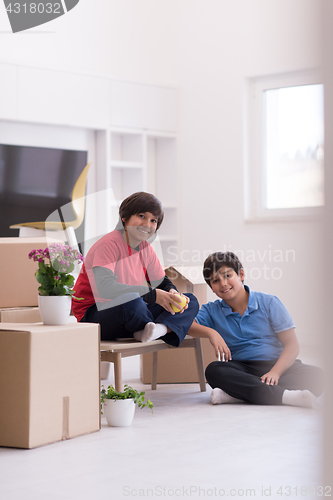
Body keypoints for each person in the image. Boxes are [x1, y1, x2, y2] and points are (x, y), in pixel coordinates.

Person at [189, 251, 324, 408]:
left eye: (228, 275)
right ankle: (285, 396)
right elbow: (188, 325)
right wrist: (211, 332)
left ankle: (239, 396)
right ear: (211, 287)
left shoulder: (269, 302)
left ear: (241, 274)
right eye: (215, 280)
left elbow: (292, 345)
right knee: (213, 370)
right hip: (241, 368)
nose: (223, 283)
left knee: (318, 376)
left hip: (277, 365)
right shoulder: (212, 310)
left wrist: (275, 372)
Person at [72, 192, 199, 346]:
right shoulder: (108, 245)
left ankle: (157, 329)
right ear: (124, 217)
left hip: (132, 313)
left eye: (153, 220)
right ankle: (150, 328)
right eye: (141, 216)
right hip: (94, 315)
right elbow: (105, 288)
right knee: (132, 303)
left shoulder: (146, 249)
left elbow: (162, 283)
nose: (147, 224)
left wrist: (171, 292)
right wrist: (153, 296)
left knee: (189, 301)